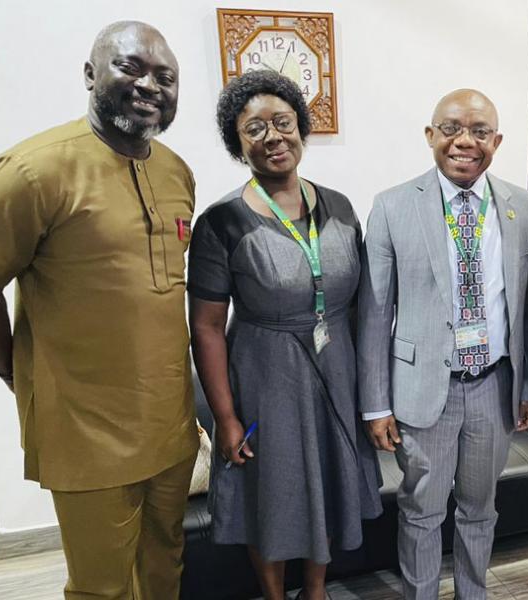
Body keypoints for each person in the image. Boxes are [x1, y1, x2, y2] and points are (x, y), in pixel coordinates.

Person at [0, 21, 198, 599]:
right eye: (131, 67)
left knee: (164, 565)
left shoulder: (174, 170)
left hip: (169, 421)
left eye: (165, 77)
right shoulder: (30, 172)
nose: (149, 85)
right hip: (86, 428)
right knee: (102, 587)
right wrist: (17, 373)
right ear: (91, 74)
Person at [188, 70, 382, 600]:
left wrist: (374, 394)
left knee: (325, 479)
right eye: (254, 129)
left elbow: (364, 302)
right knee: (269, 491)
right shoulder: (221, 222)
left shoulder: (339, 206)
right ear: (237, 143)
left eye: (283, 123)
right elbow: (205, 326)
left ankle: (315, 590)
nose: (273, 137)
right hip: (264, 373)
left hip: (337, 366)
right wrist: (225, 417)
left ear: (301, 128)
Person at [357, 88, 528, 600]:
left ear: (497, 141)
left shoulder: (525, 208)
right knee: (421, 511)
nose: (465, 141)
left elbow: (527, 309)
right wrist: (376, 404)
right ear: (430, 135)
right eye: (452, 129)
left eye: (480, 132)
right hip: (422, 389)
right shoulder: (393, 206)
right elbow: (374, 314)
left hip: (494, 385)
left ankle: (472, 593)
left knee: (481, 509)